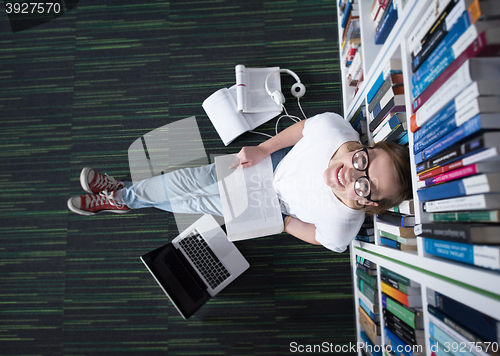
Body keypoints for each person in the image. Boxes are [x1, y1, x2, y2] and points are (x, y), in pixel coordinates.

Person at [67, 112, 412, 253]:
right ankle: (125, 196)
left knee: (196, 201)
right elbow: (303, 128)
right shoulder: (335, 129)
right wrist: (263, 148)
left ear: (370, 204)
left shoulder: (343, 227)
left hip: (272, 208)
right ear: (366, 147)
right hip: (273, 165)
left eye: (364, 186)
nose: (351, 174)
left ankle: (123, 196)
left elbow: (315, 235)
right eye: (362, 161)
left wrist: (283, 223)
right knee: (193, 180)